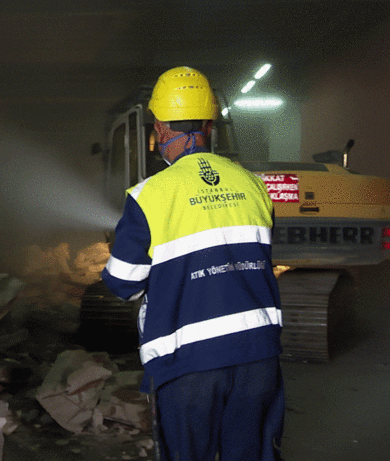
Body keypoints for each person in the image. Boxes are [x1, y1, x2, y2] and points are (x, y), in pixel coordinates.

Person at [101, 66, 285, 461]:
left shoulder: (150, 195)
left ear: (161, 129)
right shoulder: (253, 185)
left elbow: (122, 282)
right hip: (259, 357)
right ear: (208, 125)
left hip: (189, 366)